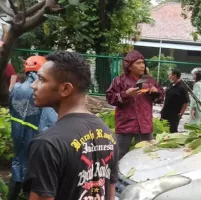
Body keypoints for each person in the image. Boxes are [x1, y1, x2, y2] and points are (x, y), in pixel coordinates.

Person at [25, 51, 118, 200]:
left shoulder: (48, 143)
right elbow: (109, 194)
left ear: (65, 89)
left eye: (41, 79)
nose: (33, 85)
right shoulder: (107, 133)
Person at [7, 56, 58, 200]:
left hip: (18, 133)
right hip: (35, 136)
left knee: (18, 162)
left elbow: (11, 110)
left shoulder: (16, 89)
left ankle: (12, 196)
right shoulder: (43, 91)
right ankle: (27, 194)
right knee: (35, 167)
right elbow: (49, 121)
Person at [106, 50, 164, 160]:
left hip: (144, 126)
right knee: (119, 156)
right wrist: (126, 94)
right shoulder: (119, 81)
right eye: (138, 63)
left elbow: (160, 98)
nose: (142, 66)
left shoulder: (149, 80)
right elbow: (110, 98)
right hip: (125, 125)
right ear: (129, 66)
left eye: (143, 62)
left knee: (146, 157)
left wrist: (156, 92)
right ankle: (115, 176)